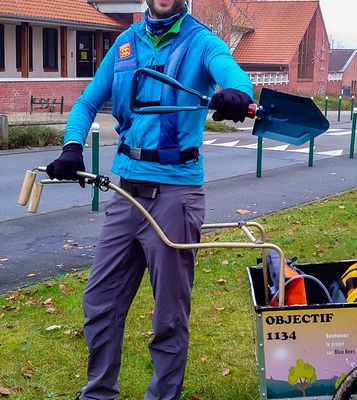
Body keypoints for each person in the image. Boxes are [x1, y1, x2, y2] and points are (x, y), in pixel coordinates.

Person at [45, 0, 253, 398]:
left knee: (169, 315)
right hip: (127, 192)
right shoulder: (125, 44)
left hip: (176, 194)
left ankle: (163, 395)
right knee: (100, 300)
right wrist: (72, 146)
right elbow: (88, 101)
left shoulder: (202, 42)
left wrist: (236, 95)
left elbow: (232, 75)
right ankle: (99, 392)